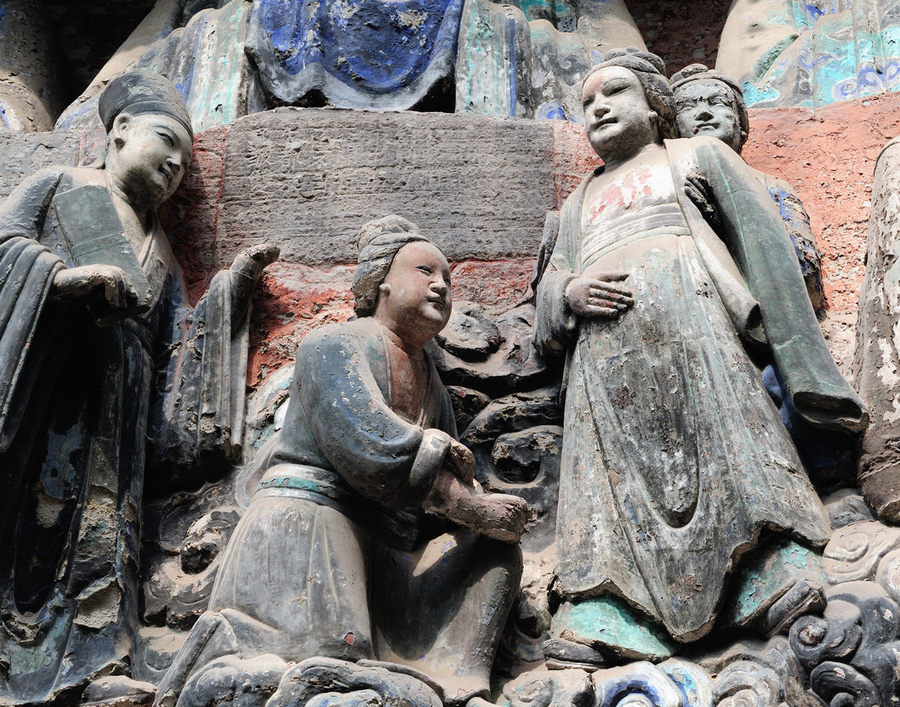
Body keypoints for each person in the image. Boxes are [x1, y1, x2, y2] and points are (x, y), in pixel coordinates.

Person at [533, 49, 867, 662]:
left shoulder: (696, 157)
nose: (598, 107)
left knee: (732, 444)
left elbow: (764, 244)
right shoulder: (578, 202)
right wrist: (570, 293)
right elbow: (551, 285)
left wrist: (798, 358)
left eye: (615, 92)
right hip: (604, 366)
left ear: (656, 106)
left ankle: (769, 571)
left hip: (698, 332)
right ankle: (607, 610)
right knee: (605, 480)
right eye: (586, 102)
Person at [156, 216, 526, 707]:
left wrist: (482, 511)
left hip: (386, 544)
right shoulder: (332, 345)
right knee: (332, 667)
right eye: (425, 271)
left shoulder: (431, 381)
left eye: (448, 279)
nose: (441, 285)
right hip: (314, 526)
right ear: (381, 284)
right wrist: (467, 504)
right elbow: (371, 448)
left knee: (491, 554)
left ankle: (456, 678)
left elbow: (445, 477)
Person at [0, 70, 276, 704]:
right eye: (166, 142)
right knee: (34, 528)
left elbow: (179, 340)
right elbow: (5, 249)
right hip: (50, 386)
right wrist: (61, 282)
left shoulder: (162, 250)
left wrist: (229, 294)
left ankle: (94, 665)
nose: (176, 165)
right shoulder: (60, 185)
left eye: (186, 161)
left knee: (107, 532)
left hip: (118, 413)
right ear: (120, 131)